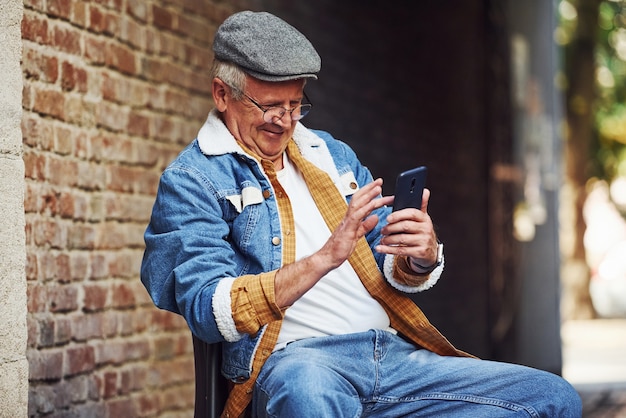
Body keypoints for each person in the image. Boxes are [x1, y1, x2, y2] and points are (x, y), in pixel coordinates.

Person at [141, 10, 582, 418]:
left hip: (392, 355)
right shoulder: (193, 179)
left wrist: (418, 256)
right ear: (222, 94)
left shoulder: (329, 154)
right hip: (300, 360)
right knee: (307, 394)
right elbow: (207, 307)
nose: (285, 120)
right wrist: (323, 258)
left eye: (296, 105)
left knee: (552, 398)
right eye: (270, 106)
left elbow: (387, 262)